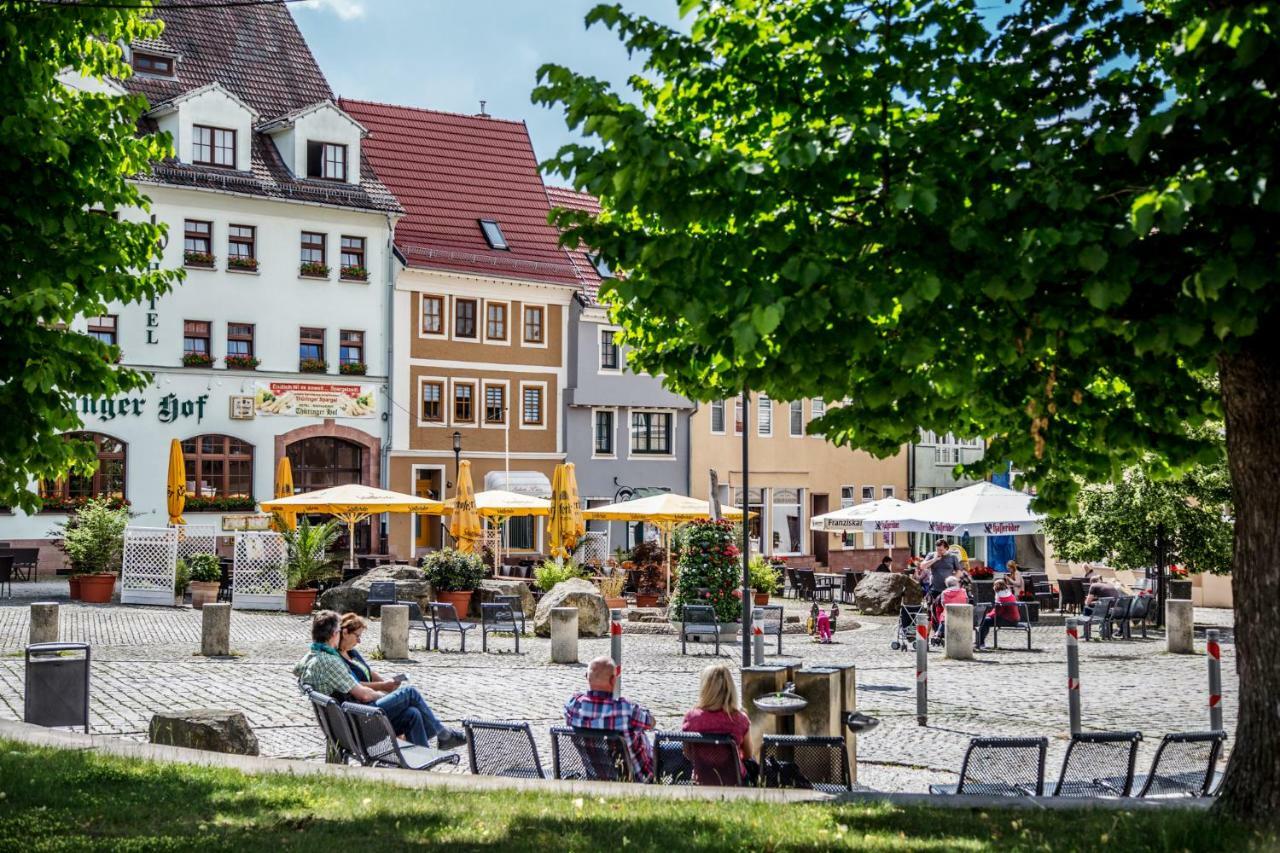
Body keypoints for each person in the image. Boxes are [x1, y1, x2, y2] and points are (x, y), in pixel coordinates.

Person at [294, 610, 467, 751]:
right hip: (358, 722)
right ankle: (443, 734)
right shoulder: (330, 661)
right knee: (409, 693)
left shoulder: (313, 656)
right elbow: (364, 695)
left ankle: (423, 766)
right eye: (339, 631)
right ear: (334, 634)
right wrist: (386, 694)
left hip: (346, 723)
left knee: (412, 714)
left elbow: (297, 670)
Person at [564, 656, 656, 781]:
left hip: (595, 777)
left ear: (587, 677)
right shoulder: (626, 710)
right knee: (673, 751)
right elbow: (650, 722)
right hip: (636, 781)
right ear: (613, 680)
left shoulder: (573, 705)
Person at [682, 663, 755, 785]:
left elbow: (687, 753)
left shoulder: (691, 718)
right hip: (735, 780)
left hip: (702, 778)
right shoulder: (739, 719)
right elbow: (748, 754)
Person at [976, 579, 1022, 650]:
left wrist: (987, 615)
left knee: (985, 621)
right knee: (986, 619)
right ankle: (980, 641)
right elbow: (997, 611)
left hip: (1008, 620)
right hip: (1014, 619)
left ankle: (980, 642)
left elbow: (997, 613)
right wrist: (989, 614)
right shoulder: (1009, 594)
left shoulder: (1001, 598)